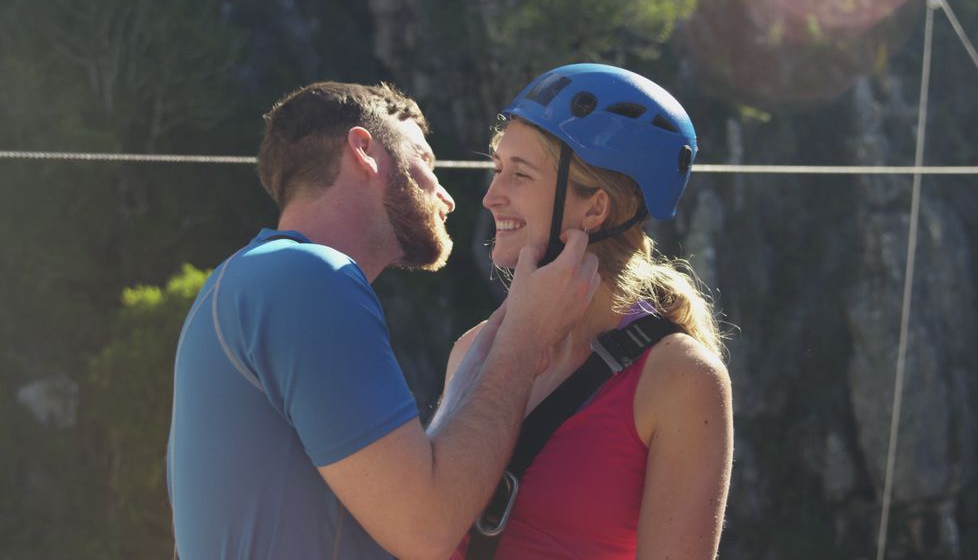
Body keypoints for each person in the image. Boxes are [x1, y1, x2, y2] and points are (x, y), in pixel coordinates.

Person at [167, 81, 601, 560]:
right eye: (426, 162)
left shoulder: (247, 282)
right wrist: (526, 335)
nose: (448, 198)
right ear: (363, 150)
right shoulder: (308, 278)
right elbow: (426, 528)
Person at [446, 64, 734, 559]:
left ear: (595, 210)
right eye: (497, 170)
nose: (492, 197)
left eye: (520, 174)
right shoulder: (473, 350)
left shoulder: (680, 380)